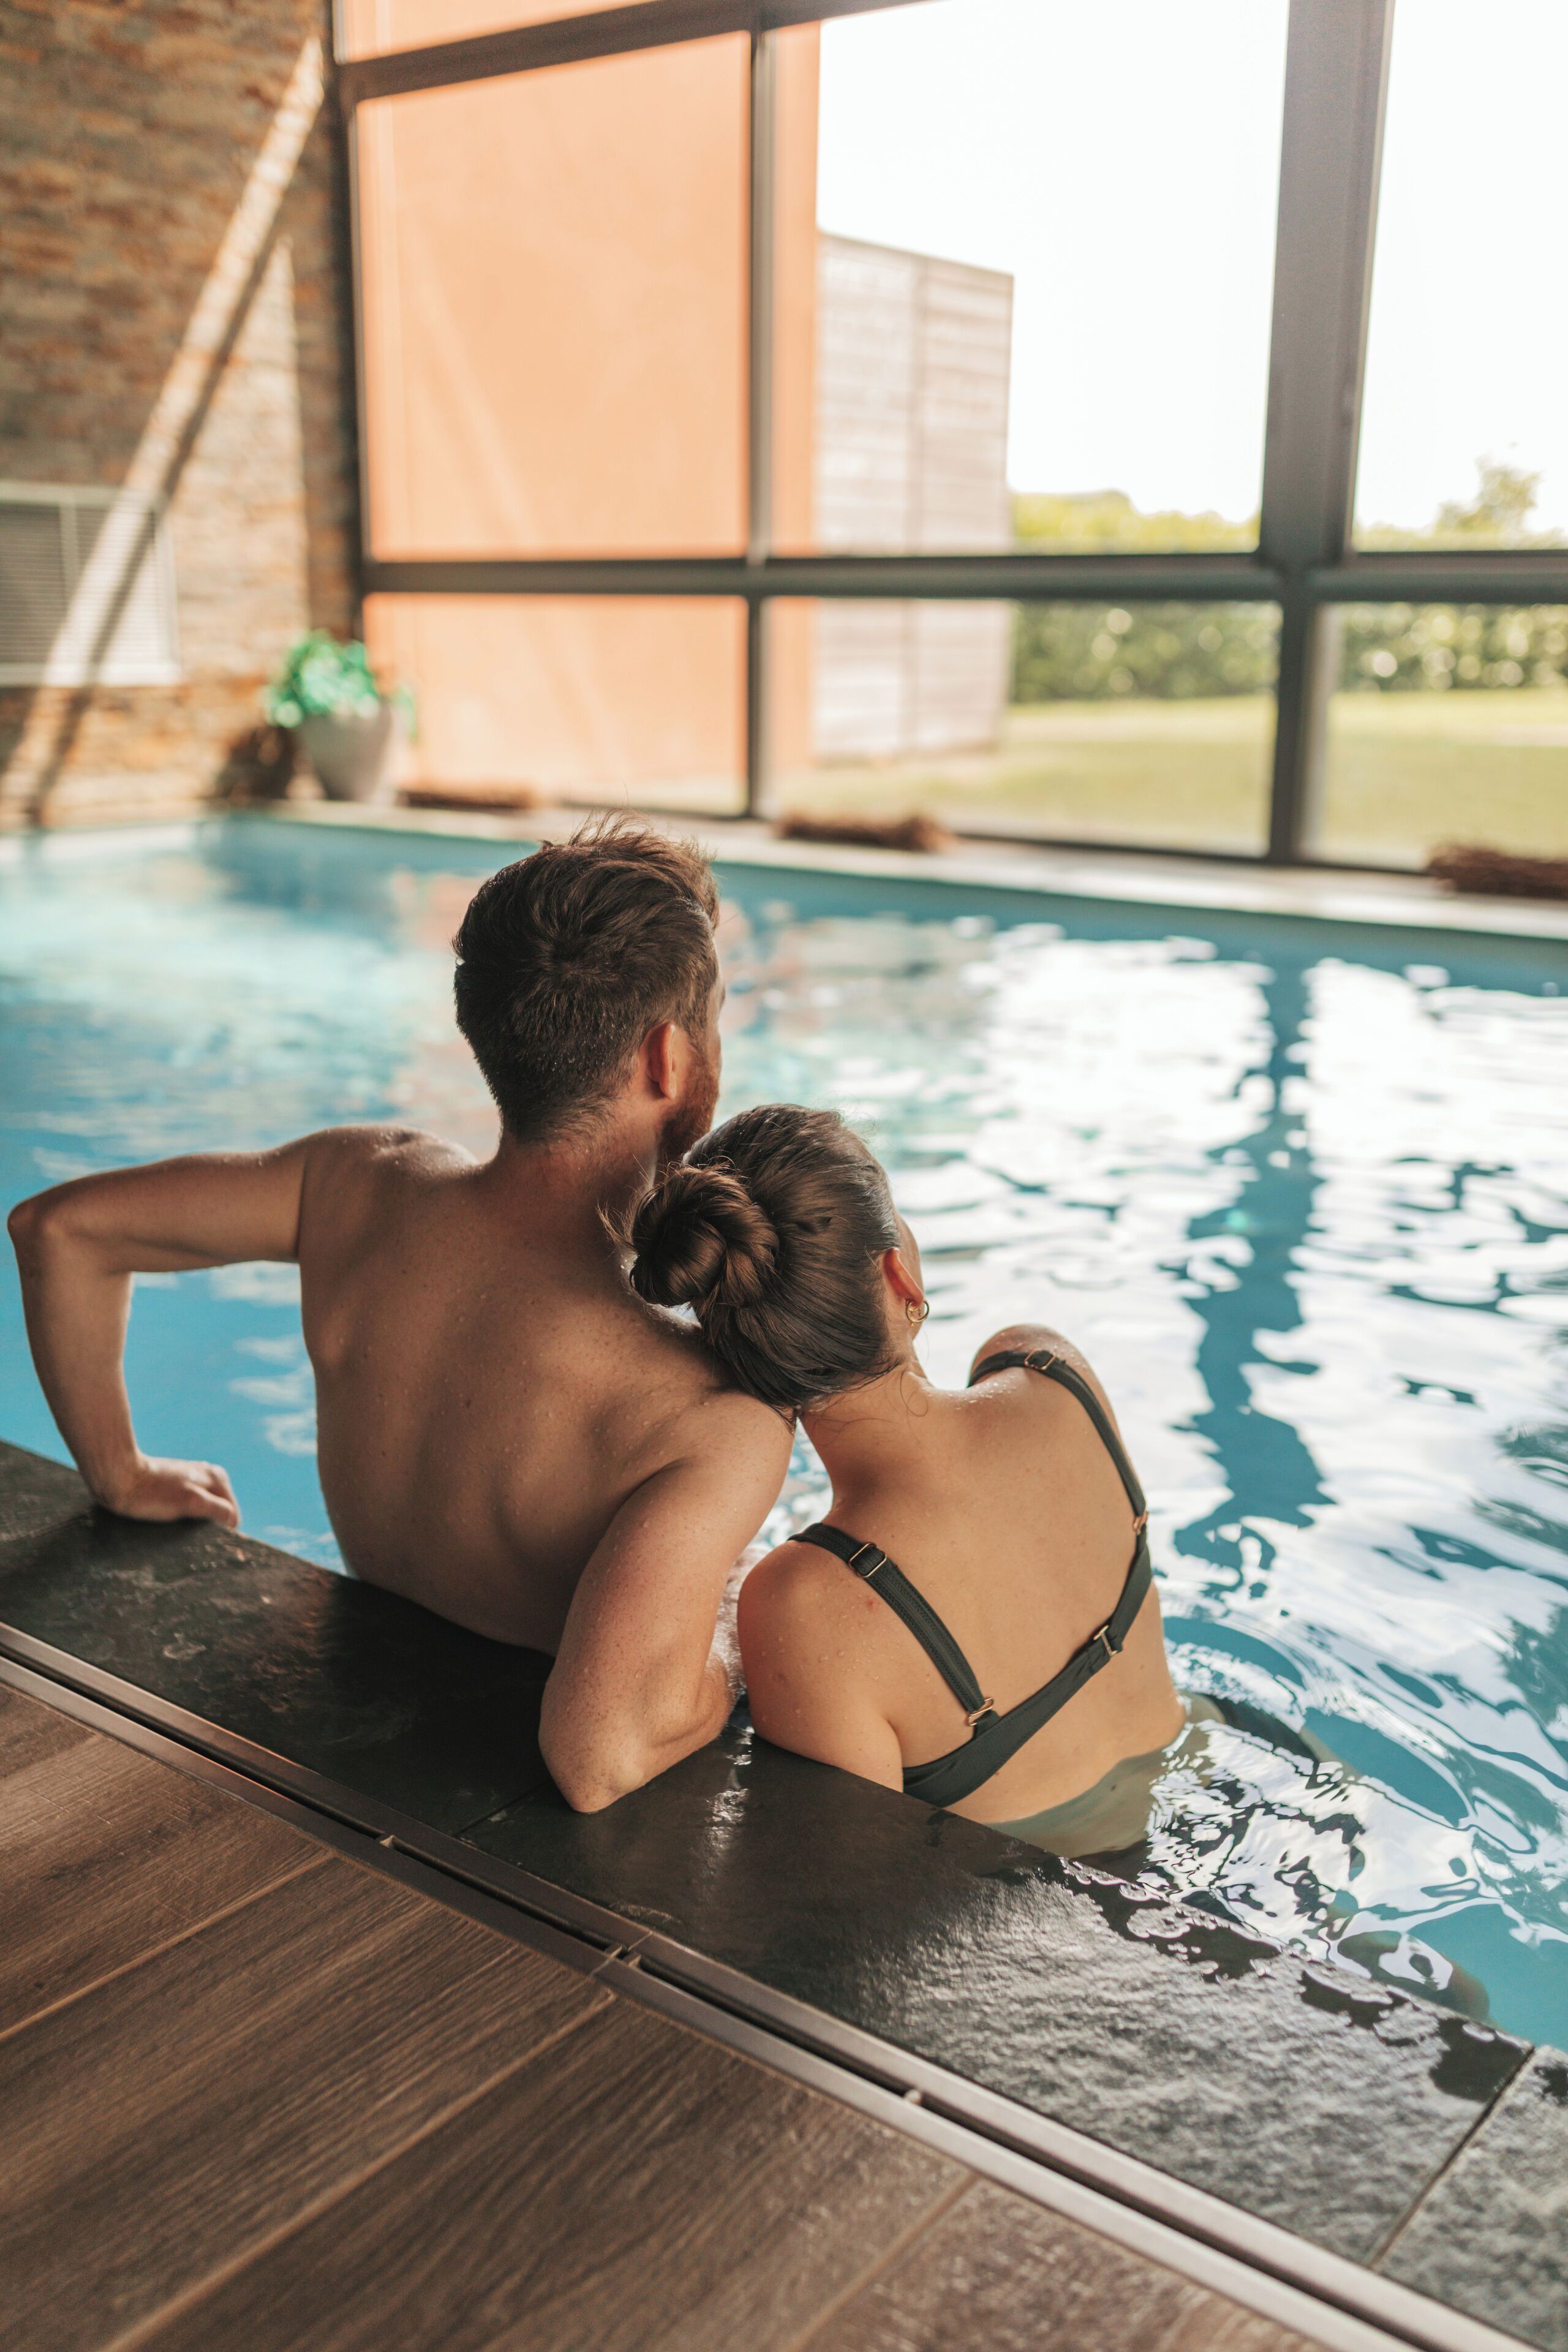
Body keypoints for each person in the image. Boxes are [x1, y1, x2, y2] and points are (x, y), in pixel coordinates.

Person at [7, 817, 792, 1814]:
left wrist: (119, 1473)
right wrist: (732, 1640)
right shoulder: (707, 1411)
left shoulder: (355, 1186)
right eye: (717, 1014)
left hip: (343, 1682)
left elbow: (59, 1230)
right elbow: (599, 1757)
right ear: (667, 1058)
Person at [626, 1102, 1188, 1845]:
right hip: (1201, 1779)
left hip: (1059, 1923)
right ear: (899, 1271)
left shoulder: (805, 1604)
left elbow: (849, 1885)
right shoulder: (1052, 1375)